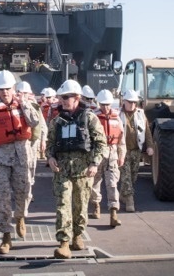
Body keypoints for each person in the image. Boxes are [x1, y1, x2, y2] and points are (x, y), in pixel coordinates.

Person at [0, 70, 40, 254]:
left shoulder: (25, 105)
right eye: (1, 89)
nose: (5, 93)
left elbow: (35, 122)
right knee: (2, 198)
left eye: (8, 89)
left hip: (22, 157)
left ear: (14, 88)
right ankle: (5, 235)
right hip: (0, 160)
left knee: (24, 192)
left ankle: (20, 217)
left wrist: (25, 103)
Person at [46, 79, 107, 259]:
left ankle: (78, 235)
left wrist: (95, 163)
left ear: (77, 97)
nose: (63, 100)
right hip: (62, 170)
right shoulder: (57, 121)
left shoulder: (89, 118)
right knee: (63, 205)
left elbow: (100, 143)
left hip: (83, 171)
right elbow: (49, 143)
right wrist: (50, 157)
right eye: (61, 97)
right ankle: (64, 242)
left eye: (66, 97)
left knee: (80, 206)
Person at [89, 89, 126, 227]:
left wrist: (122, 155)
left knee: (112, 183)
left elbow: (122, 139)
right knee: (94, 183)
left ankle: (113, 213)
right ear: (99, 103)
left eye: (108, 104)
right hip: (97, 154)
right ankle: (96, 206)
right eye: (103, 104)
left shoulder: (117, 117)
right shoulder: (93, 117)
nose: (105, 107)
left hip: (112, 153)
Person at [119, 89, 154, 212]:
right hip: (122, 151)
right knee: (126, 175)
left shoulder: (140, 113)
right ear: (124, 101)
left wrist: (150, 146)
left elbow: (147, 131)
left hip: (136, 150)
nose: (132, 104)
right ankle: (130, 201)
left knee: (133, 176)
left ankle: (123, 194)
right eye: (130, 102)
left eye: (135, 102)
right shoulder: (118, 114)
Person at [16, 81, 48, 202]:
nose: (23, 95)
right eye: (21, 93)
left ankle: (29, 190)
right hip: (19, 142)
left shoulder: (35, 106)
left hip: (33, 141)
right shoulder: (13, 106)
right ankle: (25, 193)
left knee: (32, 167)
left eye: (25, 93)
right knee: (21, 169)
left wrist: (43, 140)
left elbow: (41, 124)